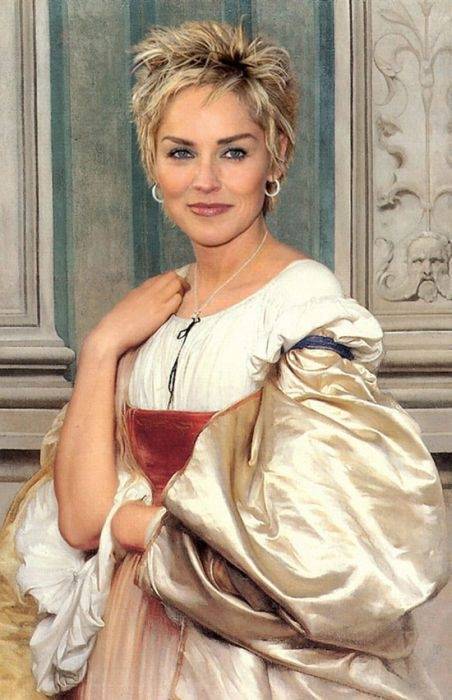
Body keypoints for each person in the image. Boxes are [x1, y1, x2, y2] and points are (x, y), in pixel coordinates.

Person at [0, 20, 448, 700]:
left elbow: (315, 552)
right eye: (181, 153)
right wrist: (101, 347)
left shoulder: (303, 306)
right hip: (132, 631)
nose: (205, 181)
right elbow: (83, 521)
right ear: (153, 164)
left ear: (277, 157)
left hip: (245, 658)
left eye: (233, 152)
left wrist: (140, 525)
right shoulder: (152, 309)